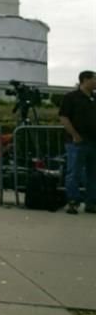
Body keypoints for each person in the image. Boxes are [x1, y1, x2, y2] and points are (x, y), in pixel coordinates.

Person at [58, 70, 96, 214]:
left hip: (94, 141)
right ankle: (73, 201)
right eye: (94, 79)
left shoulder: (94, 98)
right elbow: (64, 117)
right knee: (74, 172)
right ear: (85, 80)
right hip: (76, 142)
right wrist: (74, 134)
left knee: (93, 174)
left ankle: (91, 202)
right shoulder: (71, 97)